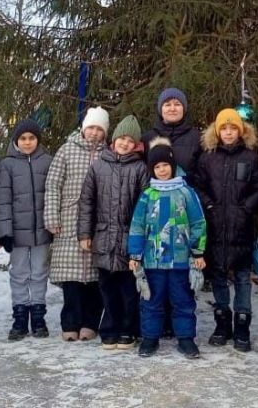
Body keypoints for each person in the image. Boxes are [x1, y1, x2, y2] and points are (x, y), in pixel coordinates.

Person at [194, 108, 258, 352]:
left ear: (241, 131)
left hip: (242, 229)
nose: (228, 132)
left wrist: (246, 207)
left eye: (232, 128)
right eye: (223, 128)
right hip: (214, 229)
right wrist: (209, 205)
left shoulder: (250, 158)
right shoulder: (207, 157)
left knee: (243, 279)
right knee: (218, 277)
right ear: (217, 131)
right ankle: (222, 322)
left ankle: (242, 324)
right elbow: (199, 186)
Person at [128, 138, 207, 359]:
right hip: (153, 260)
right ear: (152, 169)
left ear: (172, 166)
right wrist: (135, 254)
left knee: (183, 300)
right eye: (157, 167)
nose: (162, 170)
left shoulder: (185, 192)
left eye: (165, 165)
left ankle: (186, 339)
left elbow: (198, 222)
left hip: (181, 260)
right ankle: (150, 339)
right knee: (151, 300)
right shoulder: (147, 195)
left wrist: (198, 252)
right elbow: (137, 225)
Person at [77, 114, 150, 349]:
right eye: (122, 138)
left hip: (130, 240)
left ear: (136, 144)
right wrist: (85, 234)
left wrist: (142, 239)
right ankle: (109, 329)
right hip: (103, 238)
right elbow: (86, 202)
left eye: (130, 140)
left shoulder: (140, 168)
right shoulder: (98, 166)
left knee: (129, 290)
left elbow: (146, 204)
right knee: (106, 289)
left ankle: (128, 330)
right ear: (114, 139)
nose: (125, 143)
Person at [45, 106, 108, 342]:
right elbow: (53, 185)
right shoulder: (66, 150)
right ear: (83, 128)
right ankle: (70, 322)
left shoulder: (108, 154)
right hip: (68, 221)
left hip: (96, 222)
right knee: (71, 278)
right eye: (90, 127)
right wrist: (52, 217)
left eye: (99, 129)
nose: (93, 133)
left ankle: (90, 322)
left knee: (93, 277)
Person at [0, 118, 53, 340]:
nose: (27, 142)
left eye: (32, 138)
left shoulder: (47, 161)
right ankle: (20, 315)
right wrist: (5, 231)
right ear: (16, 140)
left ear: (38, 140)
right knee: (19, 273)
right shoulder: (8, 164)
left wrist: (52, 224)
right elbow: (3, 200)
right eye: (23, 138)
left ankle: (38, 315)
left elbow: (52, 193)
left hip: (41, 230)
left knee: (39, 272)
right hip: (17, 231)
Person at [141, 88, 202, 184]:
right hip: (154, 197)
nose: (172, 109)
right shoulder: (147, 139)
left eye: (177, 104)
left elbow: (202, 174)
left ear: (184, 109)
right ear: (161, 109)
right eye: (167, 105)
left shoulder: (197, 138)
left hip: (187, 195)